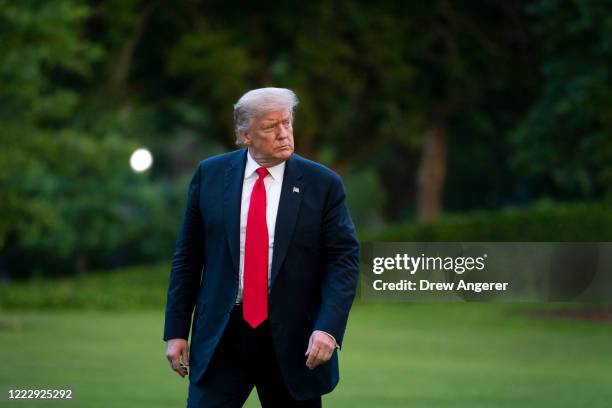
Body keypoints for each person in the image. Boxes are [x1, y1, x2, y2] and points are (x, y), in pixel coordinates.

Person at [163, 87, 360, 407]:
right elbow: (188, 257)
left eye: (287, 123)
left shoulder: (323, 184)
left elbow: (344, 260)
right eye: (271, 127)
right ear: (245, 135)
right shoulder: (210, 175)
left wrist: (328, 329)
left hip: (296, 342)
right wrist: (175, 330)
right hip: (222, 337)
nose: (284, 134)